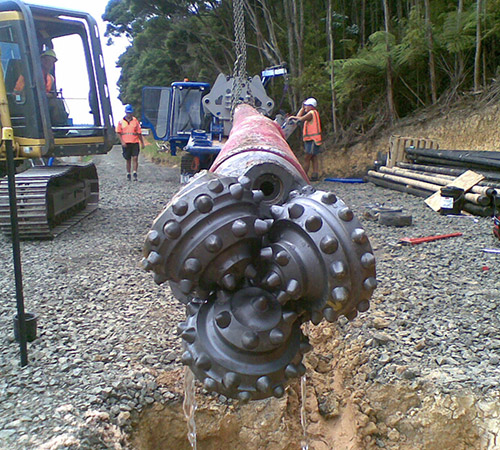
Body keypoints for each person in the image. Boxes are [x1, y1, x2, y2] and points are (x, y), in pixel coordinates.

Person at [288, 97, 322, 181]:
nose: (305, 107)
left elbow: (300, 118)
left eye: (306, 106)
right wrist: (302, 109)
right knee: (313, 157)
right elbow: (299, 116)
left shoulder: (311, 113)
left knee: (307, 157)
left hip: (313, 139)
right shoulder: (312, 112)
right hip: (312, 139)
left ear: (311, 106)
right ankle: (315, 174)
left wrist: (292, 117)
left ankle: (303, 176)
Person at [116, 104, 145, 181]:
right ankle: (128, 173)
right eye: (128, 113)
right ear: (125, 112)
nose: (129, 114)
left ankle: (135, 172)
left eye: (130, 113)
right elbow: (118, 132)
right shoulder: (121, 122)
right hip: (126, 143)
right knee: (128, 159)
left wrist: (142, 143)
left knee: (135, 157)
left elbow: (139, 133)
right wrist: (122, 142)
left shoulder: (135, 121)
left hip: (135, 142)